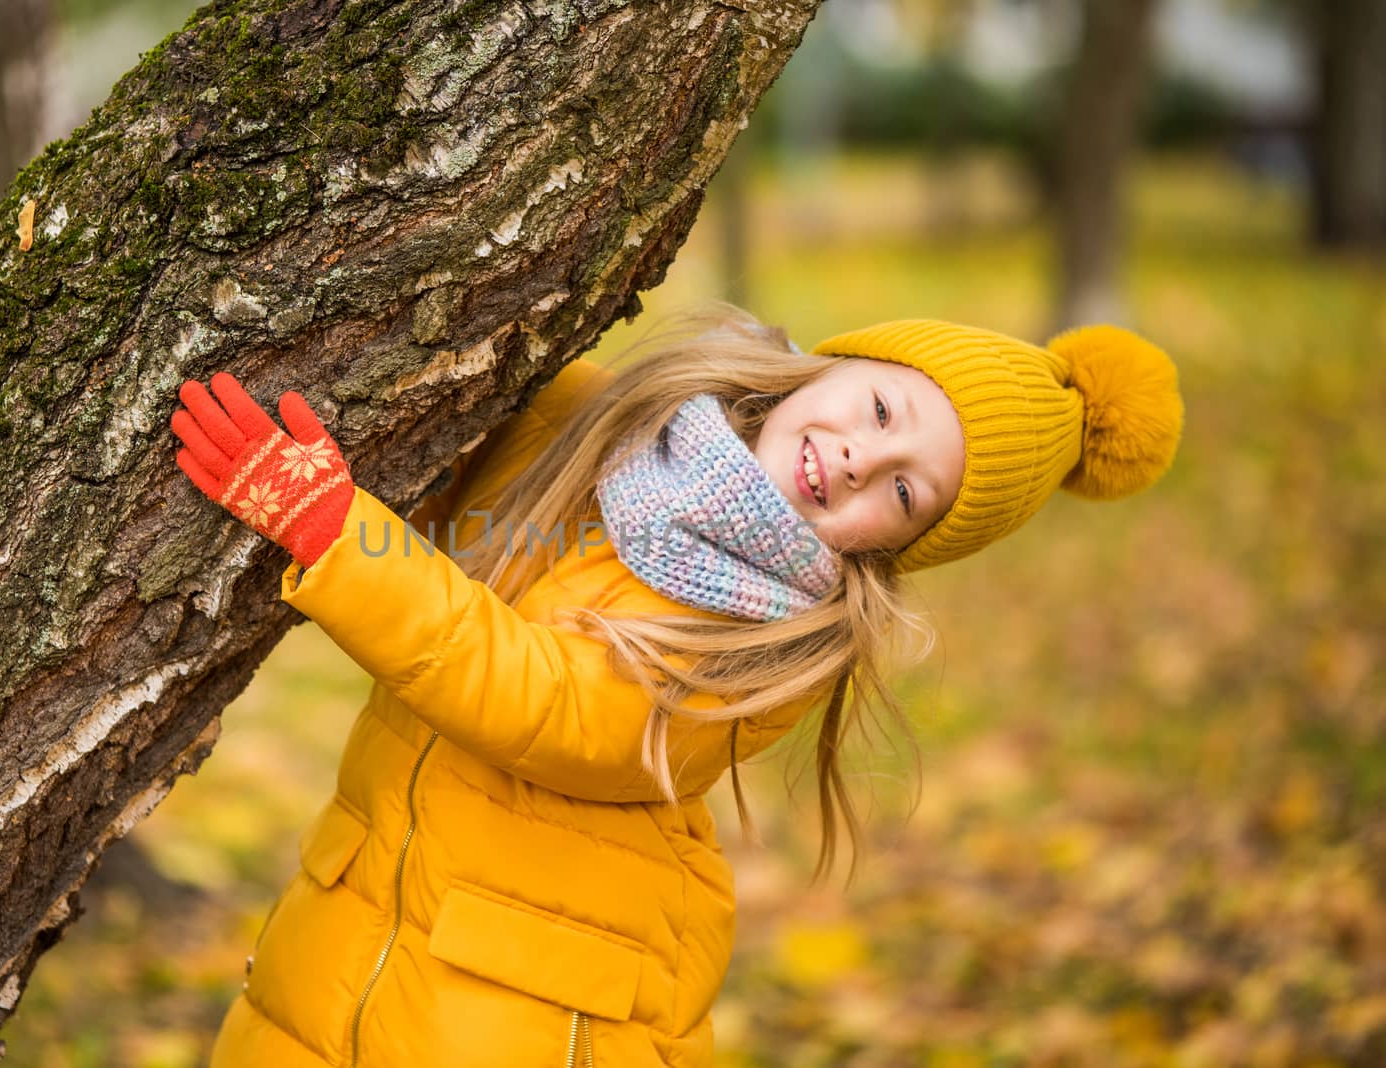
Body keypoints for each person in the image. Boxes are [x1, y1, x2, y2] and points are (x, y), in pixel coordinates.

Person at [170, 306, 1183, 1068]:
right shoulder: (606, 421)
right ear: (839, 362)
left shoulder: (766, 643)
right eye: (882, 409)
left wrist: (331, 530)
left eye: (905, 492)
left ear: (897, 550)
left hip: (521, 1016)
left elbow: (544, 702)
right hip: (352, 934)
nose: (859, 461)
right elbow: (451, 499)